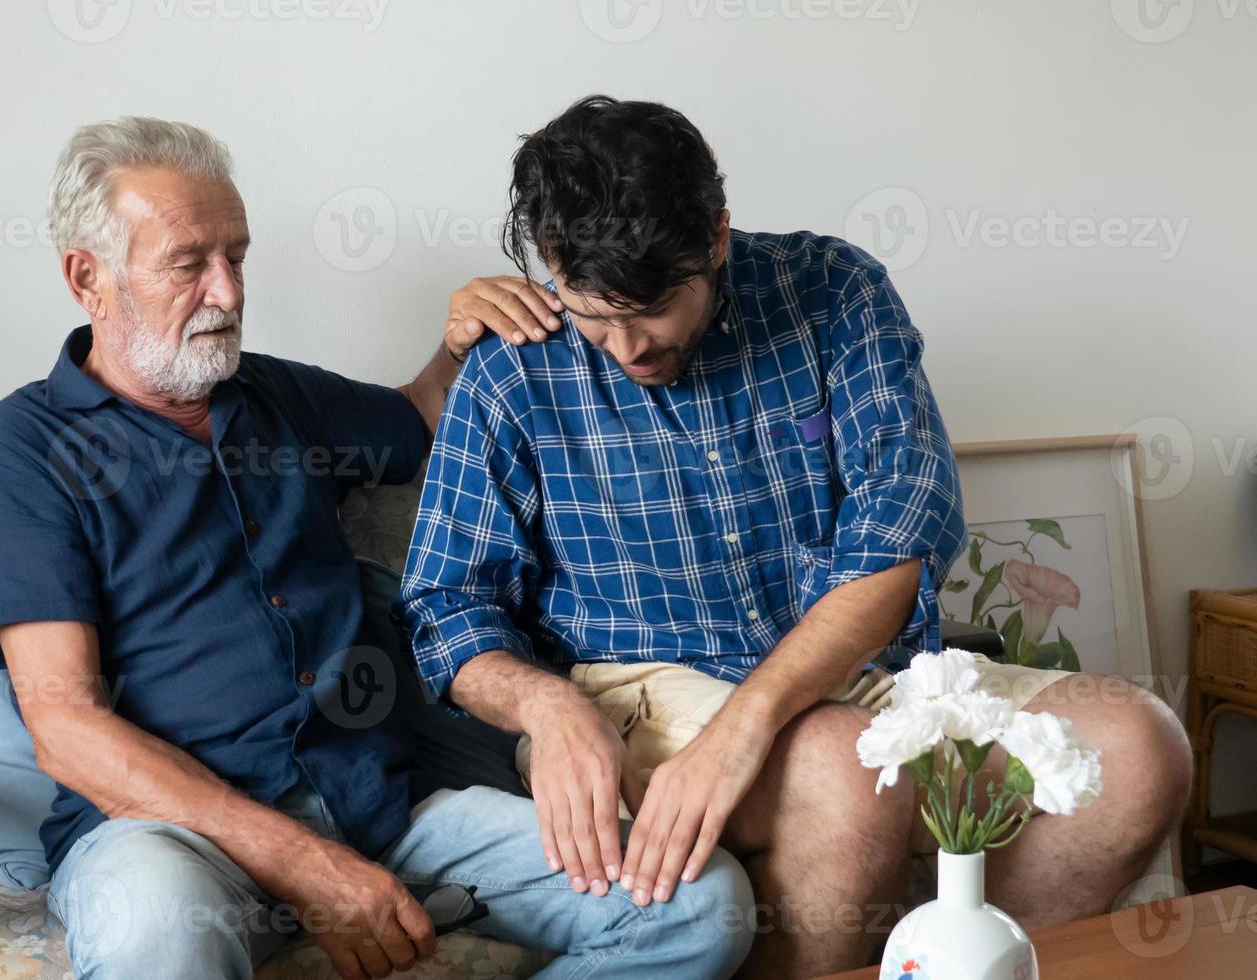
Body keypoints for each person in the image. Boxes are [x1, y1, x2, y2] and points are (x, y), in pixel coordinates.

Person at [0, 116, 753, 980]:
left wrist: (462, 337)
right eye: (189, 263)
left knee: (699, 905)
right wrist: (303, 864)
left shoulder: (277, 397)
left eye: (237, 257)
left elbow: (425, 416)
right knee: (158, 941)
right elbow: (66, 729)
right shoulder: (17, 455)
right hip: (163, 838)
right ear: (88, 279)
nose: (227, 291)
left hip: (379, 810)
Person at [399, 95, 1192, 979]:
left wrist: (745, 728)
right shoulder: (512, 365)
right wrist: (548, 710)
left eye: (655, 307)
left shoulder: (835, 291)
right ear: (552, 265)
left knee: (1137, 747)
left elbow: (896, 540)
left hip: (863, 676)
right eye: (594, 314)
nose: (626, 346)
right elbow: (446, 604)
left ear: (718, 238)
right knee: (843, 769)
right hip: (639, 689)